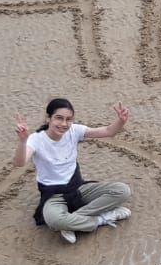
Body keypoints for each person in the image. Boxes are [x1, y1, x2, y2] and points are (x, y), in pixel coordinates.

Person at [12, 98, 133, 244]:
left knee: (122, 191)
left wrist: (121, 121)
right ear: (48, 118)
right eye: (59, 118)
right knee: (54, 220)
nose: (64, 124)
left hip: (77, 188)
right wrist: (22, 141)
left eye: (68, 119)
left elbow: (108, 131)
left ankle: (71, 222)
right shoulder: (36, 139)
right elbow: (19, 162)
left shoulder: (74, 130)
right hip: (53, 195)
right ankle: (102, 219)